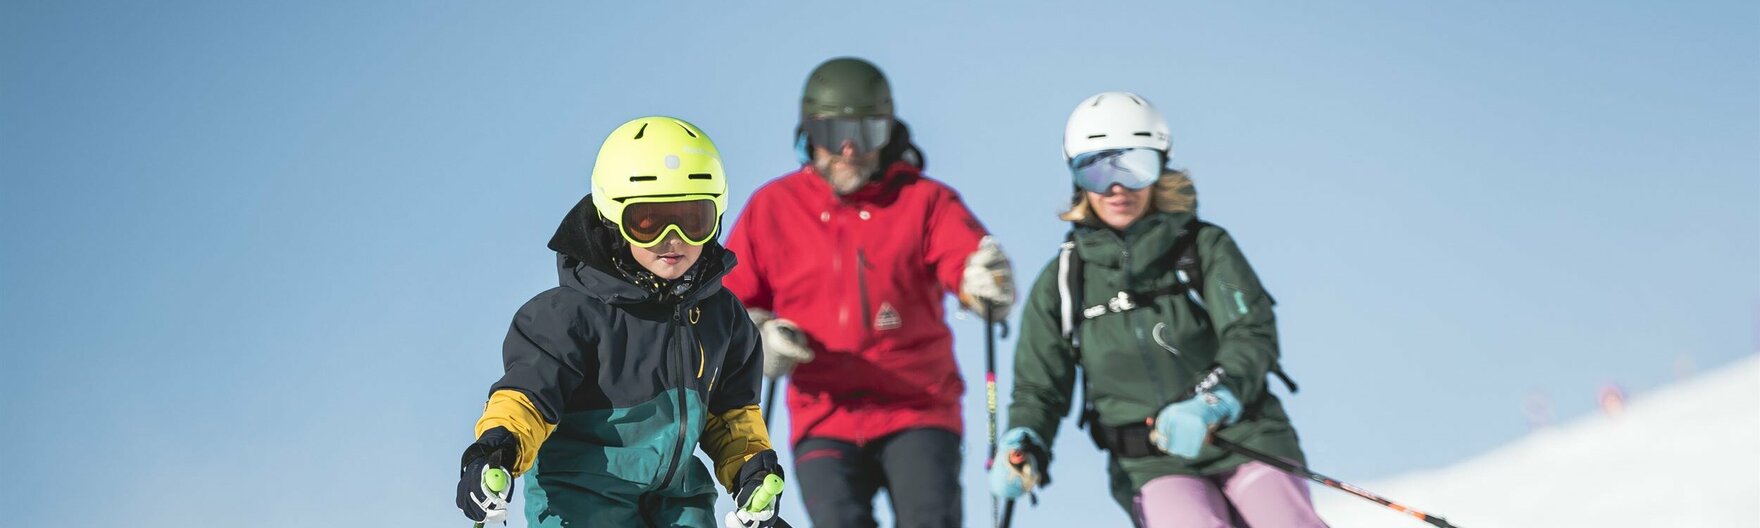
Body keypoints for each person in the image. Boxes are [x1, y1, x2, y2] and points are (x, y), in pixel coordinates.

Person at [989, 92, 1326, 528]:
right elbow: (1040, 388)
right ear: (1076, 178)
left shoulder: (1204, 248)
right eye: (1096, 169)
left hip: (1246, 438)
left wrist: (1212, 401)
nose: (1116, 187)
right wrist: (1026, 440)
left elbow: (1251, 333)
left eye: (1135, 166)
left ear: (1160, 168)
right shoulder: (1063, 282)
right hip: (1151, 465)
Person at [722, 57, 1017, 528]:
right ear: (808, 134)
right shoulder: (773, 208)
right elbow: (728, 305)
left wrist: (982, 279)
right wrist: (759, 337)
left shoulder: (923, 200)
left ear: (889, 133)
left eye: (866, 133)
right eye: (832, 132)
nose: (848, 149)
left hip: (918, 408)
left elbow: (965, 259)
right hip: (823, 416)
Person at [455, 116, 786, 528]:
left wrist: (752, 473)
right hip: (582, 497)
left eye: (693, 219)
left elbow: (732, 415)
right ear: (613, 220)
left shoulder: (723, 318)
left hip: (679, 498)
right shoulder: (568, 316)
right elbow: (526, 398)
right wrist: (495, 450)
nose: (673, 238)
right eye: (648, 223)